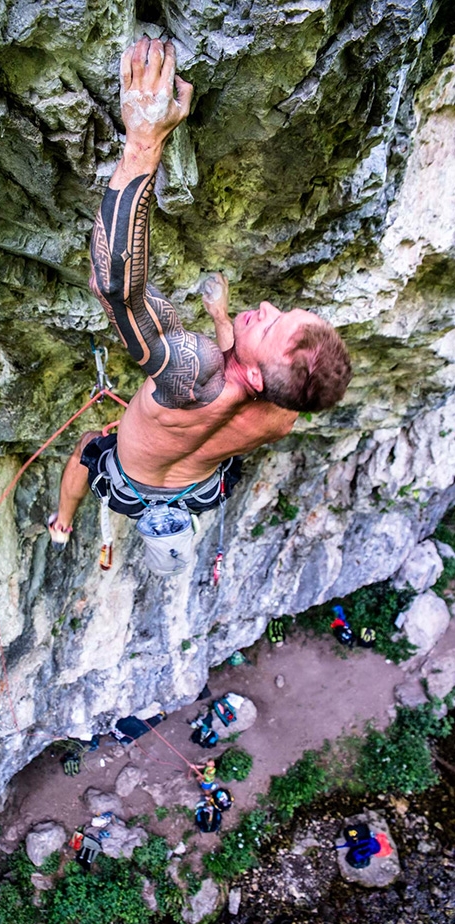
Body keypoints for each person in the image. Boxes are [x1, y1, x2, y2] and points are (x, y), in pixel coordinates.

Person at [48, 36, 351, 550]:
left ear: (258, 372)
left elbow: (117, 289)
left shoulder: (194, 372)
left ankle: (62, 521)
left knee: (87, 446)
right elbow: (240, 389)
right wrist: (223, 319)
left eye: (272, 323)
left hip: (133, 484)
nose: (267, 307)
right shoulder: (290, 406)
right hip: (202, 488)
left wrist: (143, 138)